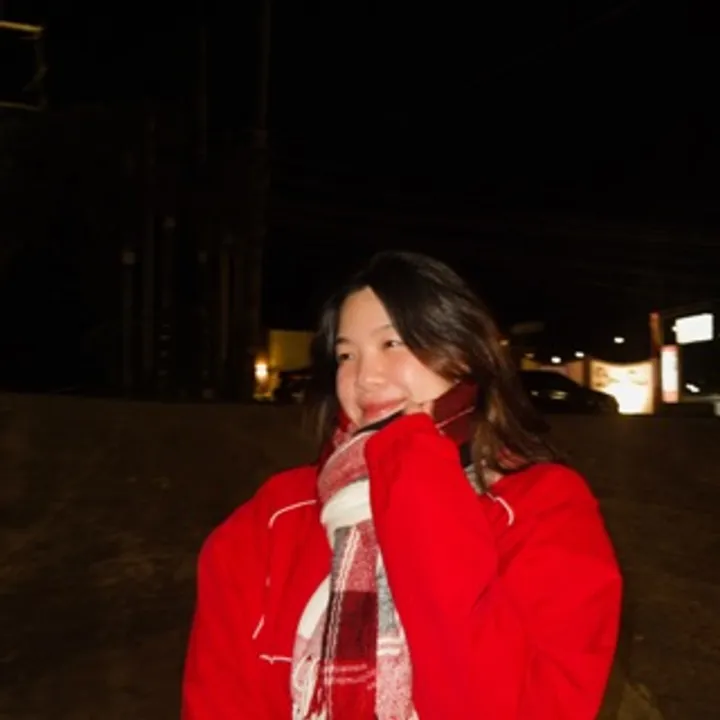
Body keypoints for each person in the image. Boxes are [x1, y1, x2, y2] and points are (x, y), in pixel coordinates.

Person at [182, 250, 623, 719]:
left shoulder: (544, 509)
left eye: (392, 344)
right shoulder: (274, 517)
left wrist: (411, 465)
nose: (365, 378)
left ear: (462, 355)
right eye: (346, 355)